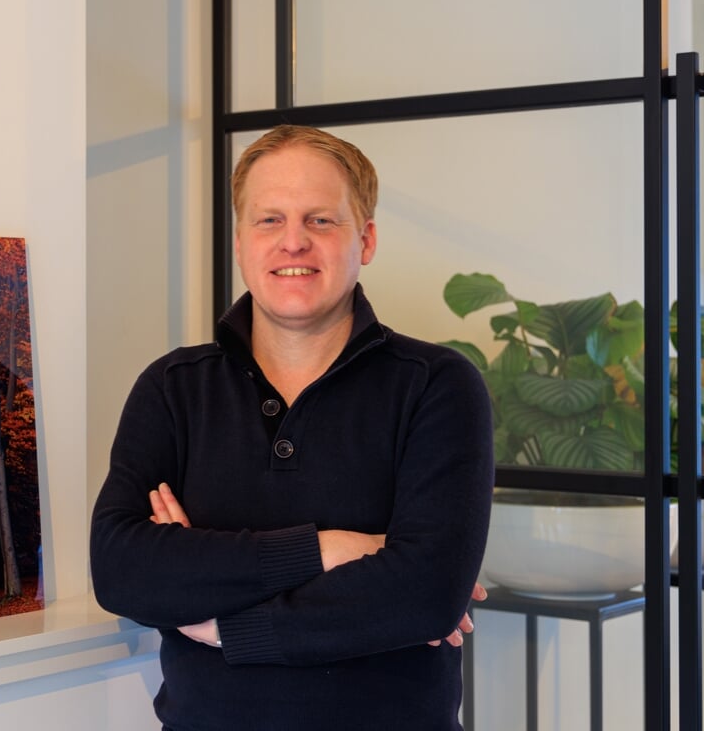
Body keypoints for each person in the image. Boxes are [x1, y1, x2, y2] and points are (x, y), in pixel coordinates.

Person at [90, 125, 494, 730]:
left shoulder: (437, 385)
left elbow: (424, 594)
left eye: (321, 221)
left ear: (367, 238)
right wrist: (326, 550)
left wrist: (226, 626)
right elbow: (124, 570)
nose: (294, 242)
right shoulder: (173, 388)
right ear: (240, 241)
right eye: (269, 220)